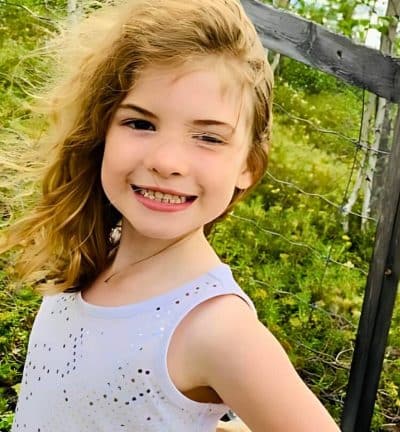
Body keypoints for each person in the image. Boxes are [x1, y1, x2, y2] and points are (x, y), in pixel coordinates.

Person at [0, 0, 340, 430]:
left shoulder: (217, 329)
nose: (167, 161)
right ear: (100, 129)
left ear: (248, 166)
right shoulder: (93, 254)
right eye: (140, 124)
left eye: (208, 137)